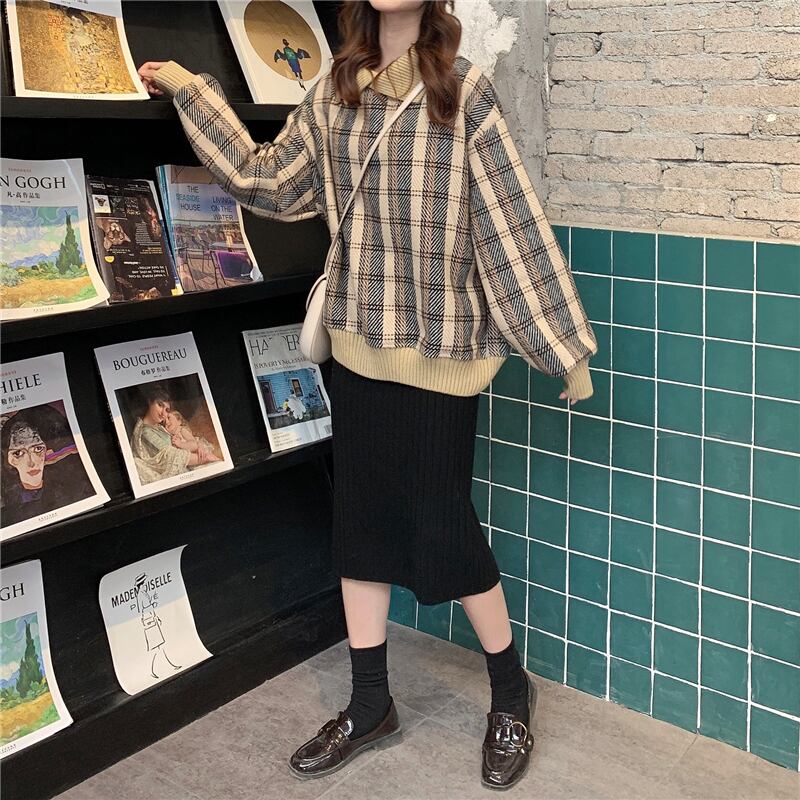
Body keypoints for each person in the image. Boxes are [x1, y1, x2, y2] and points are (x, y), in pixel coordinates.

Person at [138, 0, 598, 790]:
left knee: (446, 530)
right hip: (356, 351)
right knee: (359, 530)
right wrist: (193, 90)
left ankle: (511, 692)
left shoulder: (463, 93)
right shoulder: (334, 93)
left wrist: (561, 346)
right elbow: (268, 182)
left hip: (441, 356)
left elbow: (509, 228)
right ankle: (369, 702)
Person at [1, 404, 95, 527]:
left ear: (48, 452)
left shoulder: (73, 489)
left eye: (38, 449)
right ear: (9, 459)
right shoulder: (6, 502)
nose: (31, 462)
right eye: (18, 453)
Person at [129, 385, 204, 484]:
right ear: (150, 402)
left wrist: (198, 446)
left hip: (188, 467)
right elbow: (171, 456)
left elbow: (186, 440)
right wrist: (204, 458)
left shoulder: (161, 427)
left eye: (167, 410)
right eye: (160, 405)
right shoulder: (145, 431)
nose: (163, 414)